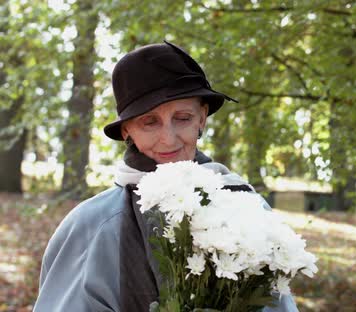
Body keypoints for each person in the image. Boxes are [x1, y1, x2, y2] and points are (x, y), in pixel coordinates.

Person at [34, 41, 298, 312]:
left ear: (202, 119)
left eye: (182, 118)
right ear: (127, 131)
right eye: (150, 122)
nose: (168, 139)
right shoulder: (93, 226)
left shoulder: (248, 207)